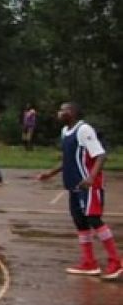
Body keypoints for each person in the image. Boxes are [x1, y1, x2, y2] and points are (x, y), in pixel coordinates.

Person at [36, 102, 120, 279]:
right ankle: (89, 263)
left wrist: (90, 178)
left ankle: (116, 261)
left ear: (72, 112)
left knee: (93, 219)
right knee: (80, 222)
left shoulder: (84, 129)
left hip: (89, 184)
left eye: (63, 109)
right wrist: (50, 173)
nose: (59, 112)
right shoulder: (65, 132)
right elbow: (68, 159)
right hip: (74, 184)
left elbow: (101, 155)